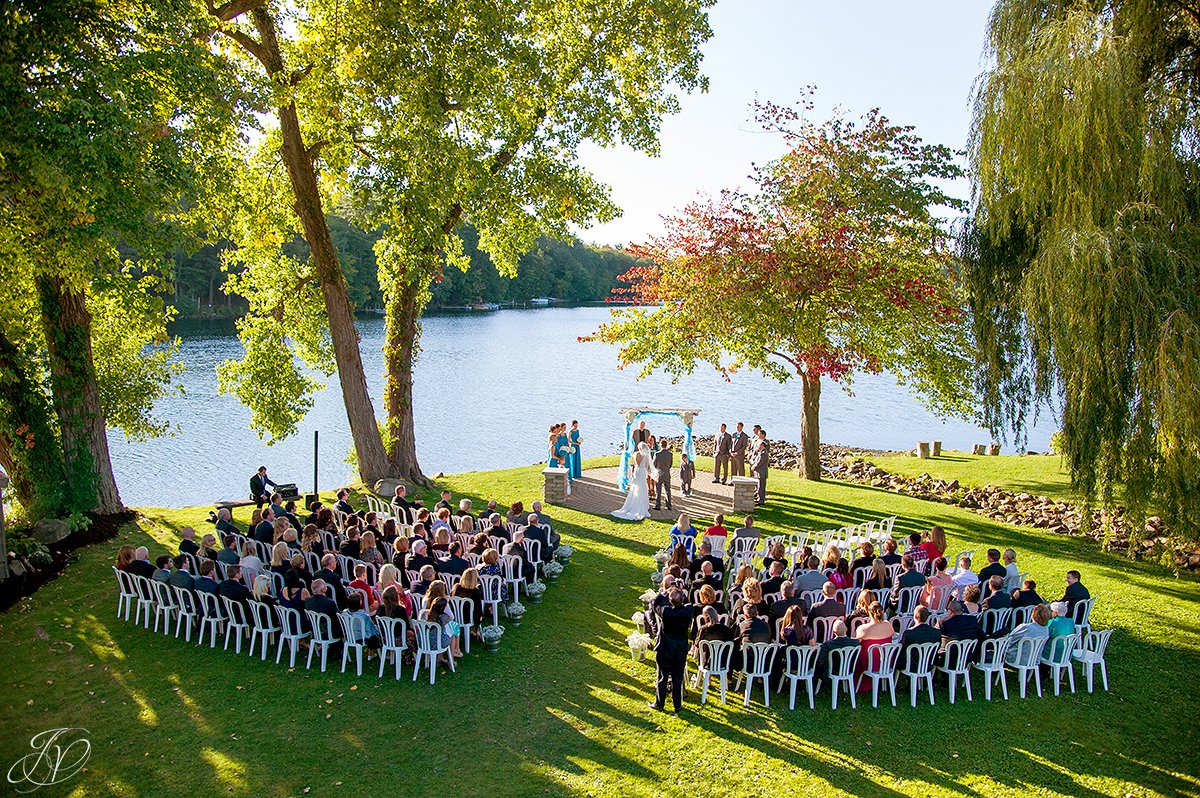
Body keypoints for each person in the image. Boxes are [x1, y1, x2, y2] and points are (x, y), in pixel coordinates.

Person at [649, 588, 692, 713]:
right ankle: (677, 705)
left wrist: (663, 593)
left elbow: (654, 604)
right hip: (680, 648)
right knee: (677, 677)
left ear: (670, 601)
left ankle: (659, 703)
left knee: (662, 676)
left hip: (666, 648)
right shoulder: (688, 611)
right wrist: (683, 594)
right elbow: (689, 602)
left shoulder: (666, 612)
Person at [854, 601, 895, 690]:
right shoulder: (888, 625)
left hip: (868, 663)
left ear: (869, 613)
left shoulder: (863, 629)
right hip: (885, 662)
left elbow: (856, 643)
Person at [612, 441, 652, 521]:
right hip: (643, 471)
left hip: (638, 471)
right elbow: (647, 466)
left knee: (635, 486)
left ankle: (634, 503)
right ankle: (644, 505)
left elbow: (636, 463)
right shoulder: (646, 456)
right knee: (643, 487)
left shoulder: (636, 454)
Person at [749, 428, 769, 505]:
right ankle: (758, 498)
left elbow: (759, 462)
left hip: (762, 472)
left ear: (762, 445)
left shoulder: (764, 453)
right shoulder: (760, 452)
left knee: (761, 487)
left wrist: (754, 467)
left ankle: (761, 500)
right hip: (759, 472)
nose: (758, 446)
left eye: (759, 445)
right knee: (759, 486)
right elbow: (757, 460)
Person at [652, 443, 674, 511]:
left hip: (659, 474)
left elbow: (654, 464)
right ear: (666, 445)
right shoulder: (670, 454)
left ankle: (658, 505)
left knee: (658, 491)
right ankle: (669, 505)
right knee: (668, 490)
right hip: (667, 473)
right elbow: (670, 464)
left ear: (660, 445)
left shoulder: (657, 454)